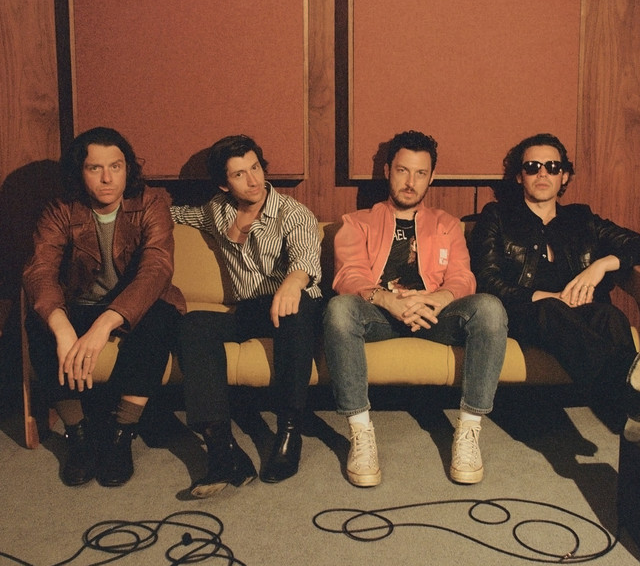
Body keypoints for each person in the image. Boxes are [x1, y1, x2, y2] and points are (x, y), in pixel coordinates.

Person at [323, 130, 508, 487]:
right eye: (403, 171)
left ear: (431, 177)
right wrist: (386, 299)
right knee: (339, 309)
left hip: (433, 315)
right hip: (379, 315)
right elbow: (348, 275)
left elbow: (463, 277)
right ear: (387, 171)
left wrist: (438, 298)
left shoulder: (446, 224)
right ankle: (360, 433)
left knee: (489, 308)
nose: (410, 182)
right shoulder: (356, 222)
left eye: (420, 173)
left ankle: (468, 431)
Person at [23, 127, 186, 487]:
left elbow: (157, 269)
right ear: (79, 172)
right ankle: (78, 434)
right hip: (81, 305)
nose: (108, 178)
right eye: (95, 168)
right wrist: (62, 328)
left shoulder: (151, 201)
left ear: (128, 168)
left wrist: (105, 325)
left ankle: (120, 434)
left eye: (116, 166)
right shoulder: (61, 209)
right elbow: (40, 271)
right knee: (39, 321)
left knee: (160, 317)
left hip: (136, 305)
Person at [171, 134, 323, 497]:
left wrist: (293, 283)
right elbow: (177, 214)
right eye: (240, 174)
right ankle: (222, 449)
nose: (253, 180)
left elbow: (305, 256)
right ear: (224, 184)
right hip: (251, 308)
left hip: (298, 302)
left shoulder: (292, 213)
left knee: (296, 310)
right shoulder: (217, 210)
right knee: (193, 325)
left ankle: (289, 432)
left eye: (255, 168)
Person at [468, 132, 640, 439]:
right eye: (532, 167)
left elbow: (635, 243)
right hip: (525, 313)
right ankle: (627, 387)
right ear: (520, 176)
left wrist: (602, 265)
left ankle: (632, 416)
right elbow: (487, 279)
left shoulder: (582, 219)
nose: (543, 173)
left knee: (610, 316)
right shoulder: (497, 217)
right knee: (550, 309)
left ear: (564, 176)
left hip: (580, 313)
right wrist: (551, 296)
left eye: (552, 167)